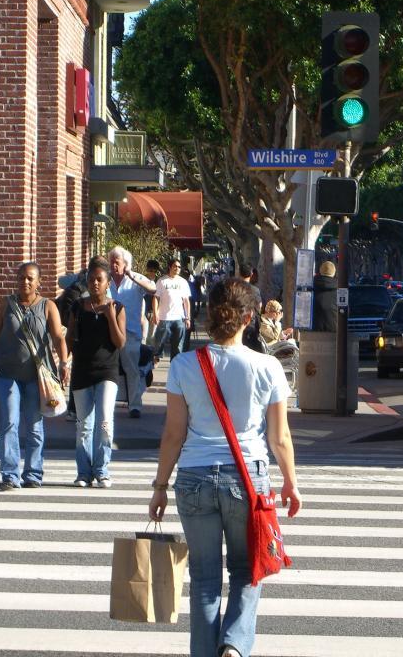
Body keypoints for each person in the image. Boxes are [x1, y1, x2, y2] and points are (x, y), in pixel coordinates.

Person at [149, 277, 301, 657]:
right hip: (247, 476)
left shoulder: (185, 364)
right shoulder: (268, 366)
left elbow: (173, 434)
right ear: (249, 318)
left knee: (203, 579)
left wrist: (159, 486)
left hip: (194, 476)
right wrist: (290, 483)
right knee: (249, 570)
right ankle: (233, 645)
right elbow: (279, 437)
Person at [0, 262, 69, 491]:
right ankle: (9, 475)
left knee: (34, 425)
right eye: (21, 277)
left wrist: (64, 363)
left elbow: (58, 337)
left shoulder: (48, 306)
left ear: (39, 282)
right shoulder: (6, 304)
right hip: (6, 374)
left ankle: (33, 473)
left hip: (36, 378)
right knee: (9, 422)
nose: (25, 282)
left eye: (30, 278)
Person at [67, 259, 127, 488]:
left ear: (107, 283)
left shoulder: (118, 307)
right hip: (82, 371)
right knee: (84, 425)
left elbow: (120, 342)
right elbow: (70, 337)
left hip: (107, 372)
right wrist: (65, 361)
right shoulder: (77, 307)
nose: (94, 284)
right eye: (91, 280)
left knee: (104, 421)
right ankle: (84, 472)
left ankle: (102, 470)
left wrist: (110, 316)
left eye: (99, 280)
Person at [109, 246, 156, 418]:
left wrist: (131, 275)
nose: (113, 265)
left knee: (131, 369)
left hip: (130, 333)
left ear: (125, 264)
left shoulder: (135, 280)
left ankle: (134, 405)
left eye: (117, 262)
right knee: (109, 369)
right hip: (108, 331)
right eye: (111, 262)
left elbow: (152, 289)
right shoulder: (106, 279)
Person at [151, 258, 192, 361]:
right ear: (170, 267)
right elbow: (156, 298)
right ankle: (154, 362)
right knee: (158, 346)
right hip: (164, 318)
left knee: (178, 348)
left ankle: (175, 367)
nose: (177, 268)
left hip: (179, 318)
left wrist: (188, 317)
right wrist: (155, 314)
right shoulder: (162, 281)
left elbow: (186, 301)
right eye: (175, 266)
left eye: (179, 267)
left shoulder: (183, 282)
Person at [238, 263, 265, 353]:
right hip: (251, 326)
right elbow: (259, 306)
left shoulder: (233, 288)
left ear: (239, 273)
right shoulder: (255, 290)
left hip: (235, 325)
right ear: (251, 274)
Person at [312, 260, 337, 332]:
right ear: (334, 272)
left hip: (313, 333)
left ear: (320, 271)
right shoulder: (340, 291)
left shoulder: (311, 288)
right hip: (334, 333)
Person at [144, 259, 161, 347]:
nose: (153, 273)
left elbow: (160, 299)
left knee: (151, 337)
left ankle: (152, 357)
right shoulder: (142, 280)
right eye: (151, 270)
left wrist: (156, 313)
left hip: (154, 312)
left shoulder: (159, 282)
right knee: (143, 336)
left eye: (155, 271)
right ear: (147, 270)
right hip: (142, 312)